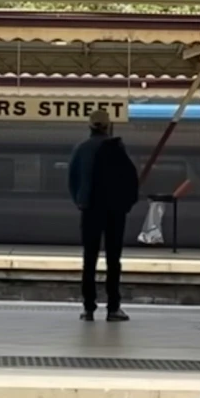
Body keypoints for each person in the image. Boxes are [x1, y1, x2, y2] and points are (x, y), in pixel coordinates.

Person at [69, 108, 140, 322]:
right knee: (113, 260)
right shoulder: (117, 148)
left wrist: (81, 202)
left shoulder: (81, 149)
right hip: (115, 211)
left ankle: (88, 308)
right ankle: (113, 308)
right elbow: (131, 179)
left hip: (90, 209)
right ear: (109, 126)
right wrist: (126, 205)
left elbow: (72, 180)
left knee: (89, 260)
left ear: (90, 126)